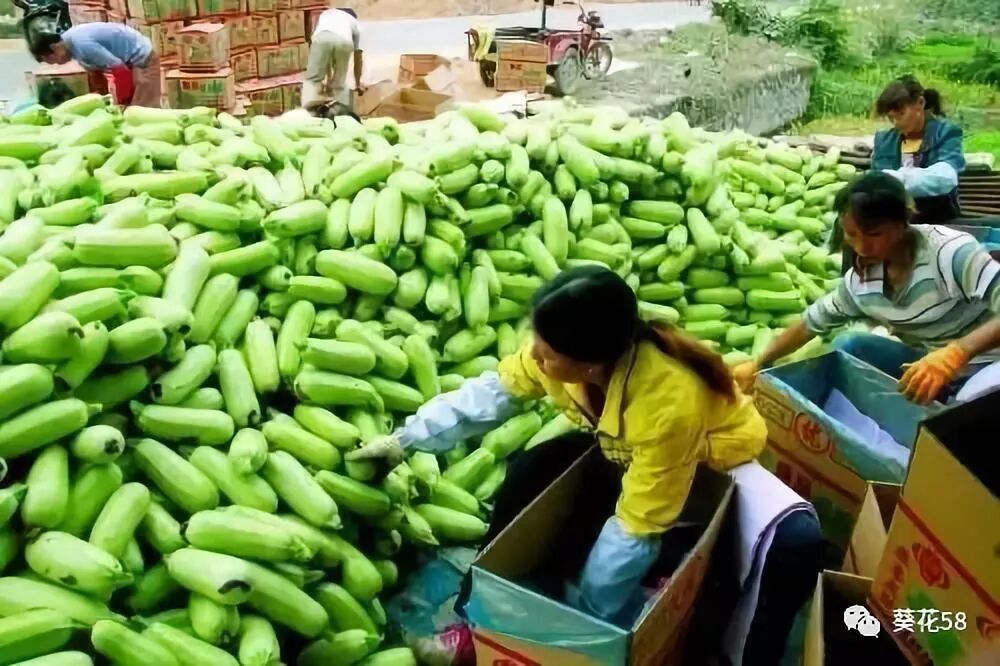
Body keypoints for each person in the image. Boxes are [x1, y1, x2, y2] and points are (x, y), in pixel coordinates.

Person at [349, 265, 823, 665]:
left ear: (590, 361)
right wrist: (404, 440)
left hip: (707, 467)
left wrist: (579, 626)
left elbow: (639, 522)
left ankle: (584, 623)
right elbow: (492, 395)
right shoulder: (564, 356)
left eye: (547, 351)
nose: (535, 354)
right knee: (530, 474)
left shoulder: (667, 401)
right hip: (628, 451)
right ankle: (480, 615)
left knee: (628, 551)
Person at [735, 171, 1000, 405]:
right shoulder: (861, 281)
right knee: (850, 347)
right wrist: (759, 362)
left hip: (989, 366)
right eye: (851, 234)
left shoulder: (950, 253)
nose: (862, 247)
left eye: (874, 235)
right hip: (927, 364)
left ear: (902, 223)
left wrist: (956, 354)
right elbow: (810, 323)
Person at [872, 75, 966, 224]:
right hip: (894, 220)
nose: (896, 123)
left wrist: (900, 179)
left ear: (920, 103)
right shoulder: (884, 141)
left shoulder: (946, 133)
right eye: (891, 118)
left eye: (901, 114)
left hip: (939, 219)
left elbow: (946, 176)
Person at [29, 22, 160, 107]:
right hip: (127, 62)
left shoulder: (82, 44)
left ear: (54, 48)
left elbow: (120, 70)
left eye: (55, 60)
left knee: (142, 109)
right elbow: (96, 74)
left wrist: (122, 103)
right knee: (130, 109)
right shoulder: (70, 44)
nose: (58, 64)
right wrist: (100, 101)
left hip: (142, 57)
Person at [303, 7, 364, 111]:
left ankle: (308, 112)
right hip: (344, 40)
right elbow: (357, 56)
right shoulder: (354, 23)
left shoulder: (326, 14)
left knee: (313, 79)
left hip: (322, 38)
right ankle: (341, 114)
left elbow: (322, 51)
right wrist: (358, 83)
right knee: (340, 83)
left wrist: (325, 80)